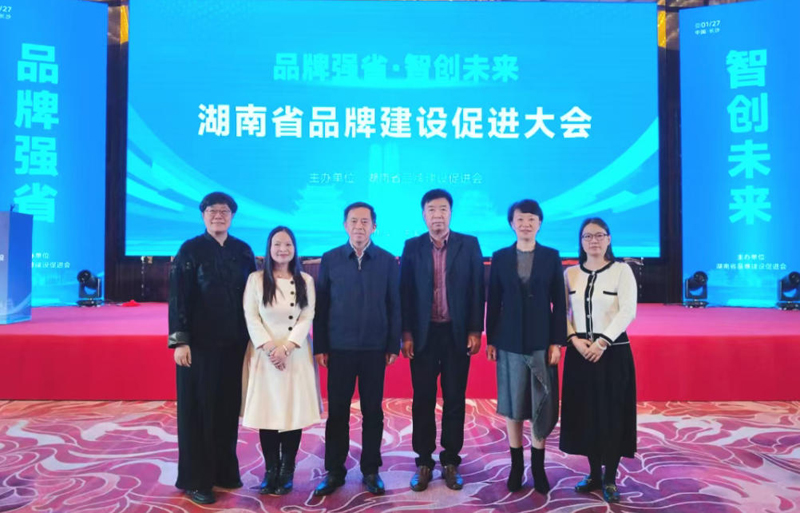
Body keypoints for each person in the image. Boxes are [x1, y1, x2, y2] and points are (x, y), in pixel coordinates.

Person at [168, 192, 256, 505]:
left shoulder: (243, 250)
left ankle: (224, 471)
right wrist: (181, 340)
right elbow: (178, 296)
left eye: (224, 211)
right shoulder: (190, 249)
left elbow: (252, 297)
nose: (218, 216)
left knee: (226, 408)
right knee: (198, 410)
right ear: (203, 215)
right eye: (212, 211)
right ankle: (197, 479)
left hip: (234, 344)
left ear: (232, 216)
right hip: (199, 346)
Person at [312, 202, 401, 497]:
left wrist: (392, 343)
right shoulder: (331, 259)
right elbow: (322, 306)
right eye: (353, 221)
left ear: (374, 226)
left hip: (375, 349)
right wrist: (321, 345)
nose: (359, 226)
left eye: (365, 221)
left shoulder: (387, 260)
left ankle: (371, 470)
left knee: (372, 411)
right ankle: (335, 470)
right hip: (339, 348)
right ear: (345, 225)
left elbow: (394, 304)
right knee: (337, 412)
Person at [400, 189, 485, 492]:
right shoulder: (412, 247)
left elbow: (477, 288)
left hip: (456, 334)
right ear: (424, 214)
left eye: (443, 209)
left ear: (451, 213)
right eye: (432, 210)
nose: (438, 215)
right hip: (423, 335)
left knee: (454, 398)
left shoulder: (469, 244)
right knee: (422, 398)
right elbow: (405, 293)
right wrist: (406, 333)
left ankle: (450, 460)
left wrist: (475, 330)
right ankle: (424, 461)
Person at [486, 199, 566, 494]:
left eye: (531, 219)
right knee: (514, 404)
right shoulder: (500, 257)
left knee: (540, 404)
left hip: (541, 341)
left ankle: (538, 468)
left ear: (539, 224)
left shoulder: (551, 256)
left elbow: (560, 304)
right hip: (509, 341)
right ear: (512, 223)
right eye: (520, 219)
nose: (526, 224)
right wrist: (491, 339)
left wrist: (557, 342)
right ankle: (516, 466)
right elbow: (493, 301)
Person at [559, 217, 638, 504]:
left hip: (612, 352)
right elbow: (563, 312)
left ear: (609, 239)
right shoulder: (569, 274)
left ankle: (610, 478)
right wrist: (574, 340)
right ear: (580, 242)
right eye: (587, 236)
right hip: (580, 353)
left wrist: (602, 342)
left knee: (612, 414)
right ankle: (593, 473)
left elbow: (628, 310)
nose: (594, 240)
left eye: (599, 235)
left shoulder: (621, 271)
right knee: (586, 413)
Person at [240, 226, 321, 496]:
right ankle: (270, 470)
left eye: (288, 244)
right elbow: (251, 316)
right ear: (269, 248)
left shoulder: (305, 280)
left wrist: (286, 348)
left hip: (295, 354)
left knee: (291, 413)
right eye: (277, 244)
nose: (282, 249)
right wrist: (269, 347)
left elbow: (307, 316)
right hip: (264, 355)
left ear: (295, 249)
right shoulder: (255, 279)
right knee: (268, 413)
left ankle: (287, 470)